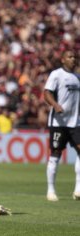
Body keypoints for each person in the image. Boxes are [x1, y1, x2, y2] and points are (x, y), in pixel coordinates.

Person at [44, 50, 80, 201]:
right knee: (56, 154)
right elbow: (46, 93)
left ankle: (78, 189)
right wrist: (55, 105)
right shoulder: (56, 74)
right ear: (63, 59)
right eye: (70, 57)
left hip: (76, 122)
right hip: (58, 123)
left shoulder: (78, 77)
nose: (73, 59)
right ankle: (50, 190)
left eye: (74, 57)